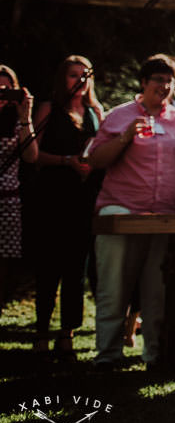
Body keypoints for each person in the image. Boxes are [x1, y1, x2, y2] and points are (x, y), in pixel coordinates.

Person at [84, 54, 175, 369]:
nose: (164, 86)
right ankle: (108, 355)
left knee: (157, 288)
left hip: (165, 214)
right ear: (143, 83)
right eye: (158, 80)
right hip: (121, 209)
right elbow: (94, 160)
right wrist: (125, 137)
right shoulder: (120, 115)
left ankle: (154, 354)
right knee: (114, 284)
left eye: (170, 81)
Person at [21, 55, 103, 356]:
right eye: (73, 75)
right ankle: (42, 330)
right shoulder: (48, 108)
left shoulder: (95, 111)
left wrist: (91, 165)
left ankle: (67, 333)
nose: (80, 81)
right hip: (52, 195)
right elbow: (32, 154)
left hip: (83, 198)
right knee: (48, 265)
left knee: (75, 268)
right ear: (62, 78)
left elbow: (103, 151)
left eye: (85, 76)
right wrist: (66, 161)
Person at [0, 65, 32, 311]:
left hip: (9, 200)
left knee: (3, 266)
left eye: (7, 89)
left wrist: (25, 117)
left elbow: (31, 156)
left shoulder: (16, 121)